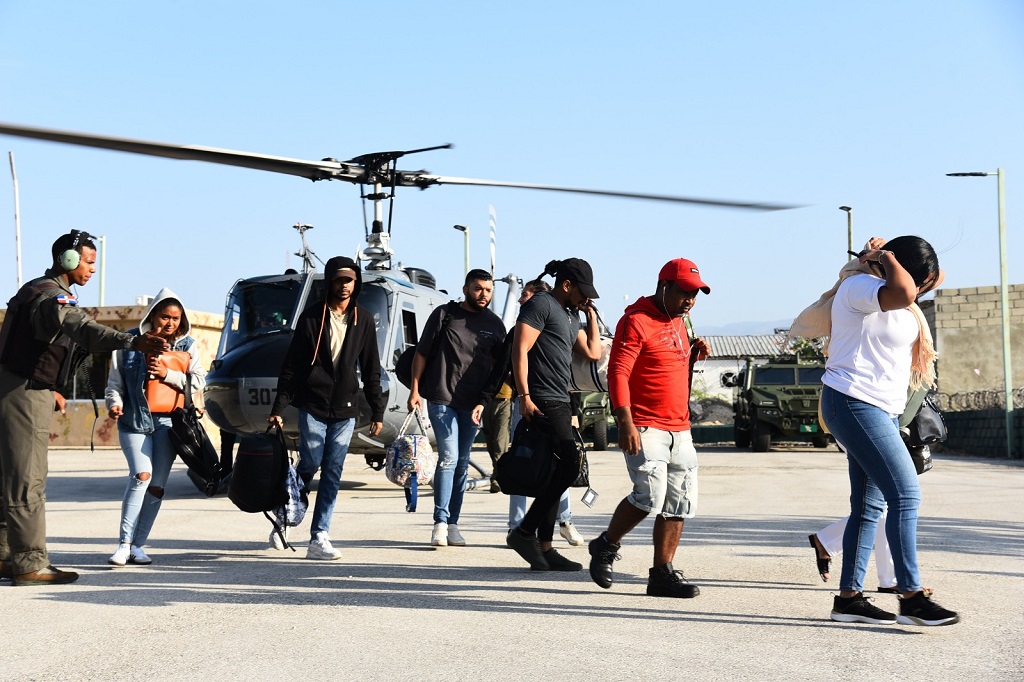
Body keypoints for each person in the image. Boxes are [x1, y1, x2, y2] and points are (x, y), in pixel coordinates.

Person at [0, 231, 167, 586]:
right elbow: (82, 328)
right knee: (28, 478)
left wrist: (53, 389)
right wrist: (131, 341)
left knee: (8, 476)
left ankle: (6, 556)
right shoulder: (52, 297)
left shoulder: (33, 290)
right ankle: (29, 563)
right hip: (25, 393)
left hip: (17, 388)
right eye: (89, 262)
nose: (92, 269)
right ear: (68, 260)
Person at [817, 236, 958, 626]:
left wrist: (889, 258)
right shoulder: (859, 288)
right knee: (906, 493)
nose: (920, 290)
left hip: (882, 409)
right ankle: (911, 597)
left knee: (868, 507)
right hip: (853, 401)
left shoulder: (898, 294)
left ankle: (848, 600)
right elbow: (906, 289)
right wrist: (882, 257)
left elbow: (932, 278)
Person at [588, 258, 711, 598]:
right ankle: (606, 544)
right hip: (644, 424)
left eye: (695, 294)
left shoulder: (682, 321)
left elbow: (667, 367)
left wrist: (693, 356)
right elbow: (618, 372)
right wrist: (625, 421)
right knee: (649, 496)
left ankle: (661, 575)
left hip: (680, 426)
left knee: (679, 502)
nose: (690, 300)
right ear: (664, 286)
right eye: (684, 292)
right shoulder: (636, 320)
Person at [268, 256, 384, 560]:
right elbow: (292, 366)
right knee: (310, 462)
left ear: (356, 283)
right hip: (313, 403)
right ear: (330, 280)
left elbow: (371, 368)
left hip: (346, 409)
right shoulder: (311, 317)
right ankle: (285, 515)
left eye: (350, 280)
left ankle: (319, 536)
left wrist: (377, 410)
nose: (344, 286)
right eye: (339, 279)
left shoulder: (363, 319)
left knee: (333, 470)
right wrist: (279, 406)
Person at [505, 259, 603, 571]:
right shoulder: (541, 305)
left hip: (561, 399)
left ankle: (545, 547)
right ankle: (523, 533)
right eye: (582, 292)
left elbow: (593, 352)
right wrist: (524, 396)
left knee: (554, 471)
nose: (585, 297)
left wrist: (590, 315)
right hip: (540, 398)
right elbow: (520, 349)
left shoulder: (571, 315)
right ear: (567, 284)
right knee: (570, 463)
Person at [472, 279, 584, 546]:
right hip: (531, 404)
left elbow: (569, 371)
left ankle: (560, 525)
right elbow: (505, 364)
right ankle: (519, 527)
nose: (521, 299)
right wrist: (488, 399)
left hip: (556, 404)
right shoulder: (523, 327)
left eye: (525, 295)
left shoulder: (563, 322)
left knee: (558, 465)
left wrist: (574, 410)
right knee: (528, 463)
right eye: (521, 295)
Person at [105, 288, 207, 566]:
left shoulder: (187, 346)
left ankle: (139, 545)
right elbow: (114, 385)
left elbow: (199, 381)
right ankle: (124, 544)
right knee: (141, 476)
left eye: (176, 318)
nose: (170, 323)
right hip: (134, 421)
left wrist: (168, 374)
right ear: (152, 316)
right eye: (165, 317)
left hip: (168, 423)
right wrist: (114, 404)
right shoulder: (128, 343)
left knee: (157, 487)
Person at [408, 269, 506, 547]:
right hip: (442, 397)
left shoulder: (495, 325)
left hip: (473, 404)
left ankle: (453, 524)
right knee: (449, 458)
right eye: (478, 288)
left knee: (462, 464)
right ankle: (439, 523)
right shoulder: (444, 314)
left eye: (488, 290)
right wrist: (415, 390)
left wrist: (485, 400)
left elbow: (499, 369)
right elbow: (422, 353)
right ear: (465, 289)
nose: (483, 294)